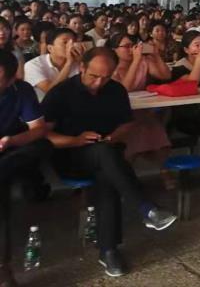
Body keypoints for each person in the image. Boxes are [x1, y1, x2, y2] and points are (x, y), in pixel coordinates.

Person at [42, 47, 177, 277]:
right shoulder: (61, 92)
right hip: (71, 155)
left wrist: (114, 136)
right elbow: (44, 134)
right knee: (106, 158)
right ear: (82, 67)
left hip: (108, 154)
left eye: (105, 77)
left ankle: (109, 250)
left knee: (107, 174)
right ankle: (145, 209)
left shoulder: (115, 90)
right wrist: (76, 140)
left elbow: (126, 123)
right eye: (93, 76)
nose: (98, 83)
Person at [0, 50, 52, 287]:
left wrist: (11, 140)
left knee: (41, 146)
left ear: (12, 79)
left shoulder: (21, 90)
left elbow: (38, 129)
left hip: (12, 149)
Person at [108, 33, 172, 166]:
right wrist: (136, 61)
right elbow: (124, 89)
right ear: (115, 50)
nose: (131, 50)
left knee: (153, 127)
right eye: (126, 46)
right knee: (133, 128)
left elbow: (165, 75)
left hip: (143, 109)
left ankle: (164, 169)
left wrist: (156, 56)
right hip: (121, 112)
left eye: (133, 46)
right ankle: (126, 168)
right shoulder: (111, 67)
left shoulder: (144, 62)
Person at [25, 28, 82, 101]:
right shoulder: (33, 65)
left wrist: (83, 62)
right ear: (50, 48)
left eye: (73, 42)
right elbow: (50, 91)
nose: (71, 46)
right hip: (44, 105)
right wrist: (69, 63)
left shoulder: (78, 61)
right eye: (65, 42)